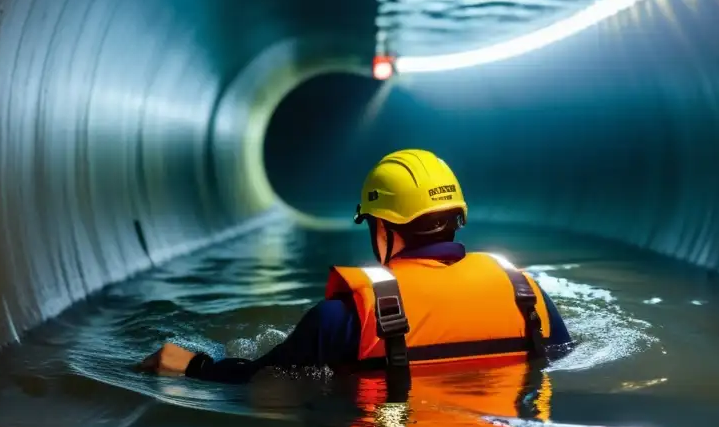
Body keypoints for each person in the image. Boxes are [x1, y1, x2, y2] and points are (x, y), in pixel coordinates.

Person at [139, 149, 571, 382]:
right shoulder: (526, 294)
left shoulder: (344, 318)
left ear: (381, 227)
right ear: (458, 216)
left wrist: (193, 366)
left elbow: (259, 385)